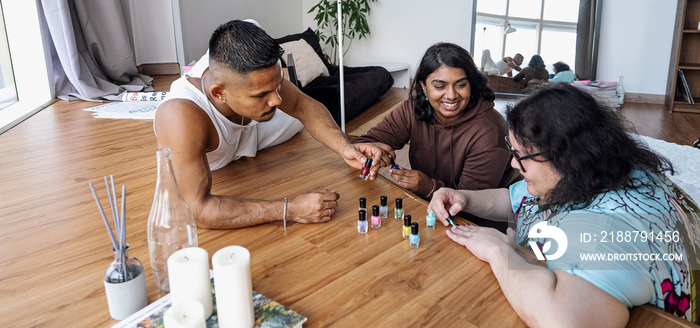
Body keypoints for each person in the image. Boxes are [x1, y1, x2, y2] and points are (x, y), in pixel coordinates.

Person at [428, 84, 699, 326]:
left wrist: (498, 250)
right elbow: (516, 201)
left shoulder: (606, 228)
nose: (513, 163)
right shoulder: (594, 169)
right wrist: (464, 197)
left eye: (520, 155)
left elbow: (560, 319)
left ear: (564, 157)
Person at [154, 20, 389, 229]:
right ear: (219, 92)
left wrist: (344, 147)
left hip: (255, 129)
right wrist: (290, 209)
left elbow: (303, 106)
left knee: (298, 119)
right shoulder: (180, 115)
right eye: (261, 94)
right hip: (219, 142)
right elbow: (197, 211)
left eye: (277, 86)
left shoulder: (256, 77)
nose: (277, 99)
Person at [352, 42, 520, 201]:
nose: (451, 95)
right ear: (423, 86)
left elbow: (472, 205)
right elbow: (361, 145)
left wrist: (430, 187)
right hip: (431, 208)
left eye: (460, 85)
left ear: (471, 85)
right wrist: (372, 151)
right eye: (440, 86)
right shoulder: (412, 109)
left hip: (480, 222)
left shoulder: (489, 130)